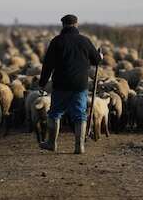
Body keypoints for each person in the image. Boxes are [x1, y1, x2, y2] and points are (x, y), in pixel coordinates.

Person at [38, 14, 102, 154]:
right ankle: (80, 146)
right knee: (80, 114)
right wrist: (99, 56)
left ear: (63, 25)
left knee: (55, 113)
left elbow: (48, 65)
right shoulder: (85, 41)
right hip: (80, 84)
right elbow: (96, 60)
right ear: (76, 24)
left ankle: (51, 143)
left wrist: (42, 83)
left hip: (61, 84)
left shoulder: (57, 41)